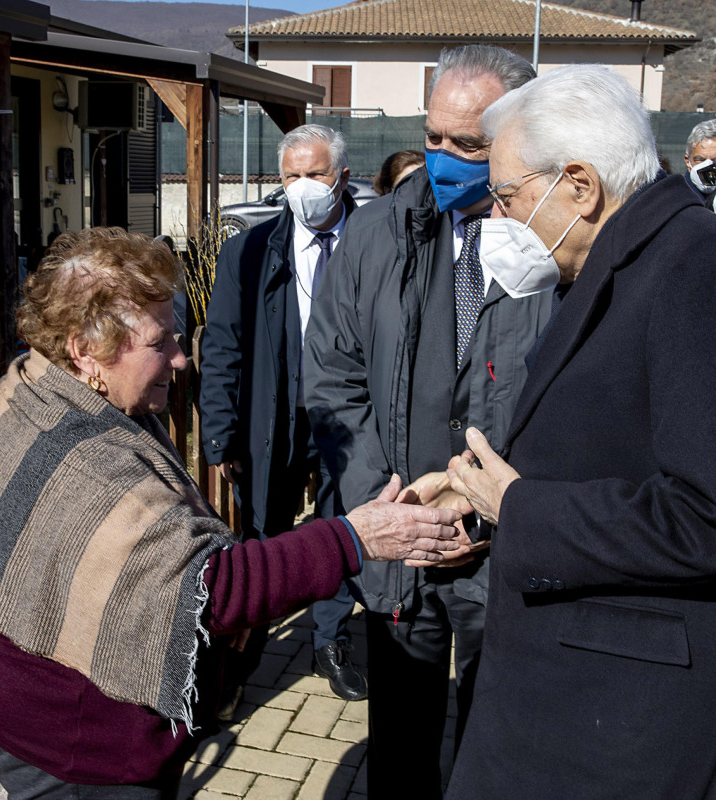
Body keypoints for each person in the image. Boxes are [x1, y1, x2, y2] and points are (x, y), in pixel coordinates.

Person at [0, 227, 464, 799]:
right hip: (70, 743)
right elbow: (207, 589)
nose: (180, 356)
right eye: (160, 341)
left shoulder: (35, 387)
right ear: (85, 348)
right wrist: (356, 536)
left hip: (19, 701)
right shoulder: (89, 456)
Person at [442, 64, 716, 799]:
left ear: (580, 185)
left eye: (505, 196)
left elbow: (704, 515)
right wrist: (476, 495)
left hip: (621, 722)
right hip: (569, 696)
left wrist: (521, 508)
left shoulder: (693, 269)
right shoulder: (621, 261)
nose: (495, 220)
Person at [305, 45, 550, 800]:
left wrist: (499, 512)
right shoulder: (377, 235)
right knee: (403, 745)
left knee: (499, 745)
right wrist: (390, 509)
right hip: (399, 540)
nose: (443, 158)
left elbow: (576, 402)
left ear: (521, 140)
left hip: (507, 549)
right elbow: (332, 378)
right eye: (434, 136)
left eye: (467, 145)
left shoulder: (557, 245)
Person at [199, 124, 365, 709]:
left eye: (314, 174)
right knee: (263, 536)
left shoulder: (374, 241)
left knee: (341, 528)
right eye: (290, 175)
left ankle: (330, 641)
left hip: (350, 422)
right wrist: (221, 435)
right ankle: (245, 654)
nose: (302, 187)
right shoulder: (250, 249)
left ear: (342, 177)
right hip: (274, 420)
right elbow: (222, 344)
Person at [683, 117, 716, 210]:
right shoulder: (675, 199)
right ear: (687, 161)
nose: (708, 166)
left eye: (715, 161)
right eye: (700, 160)